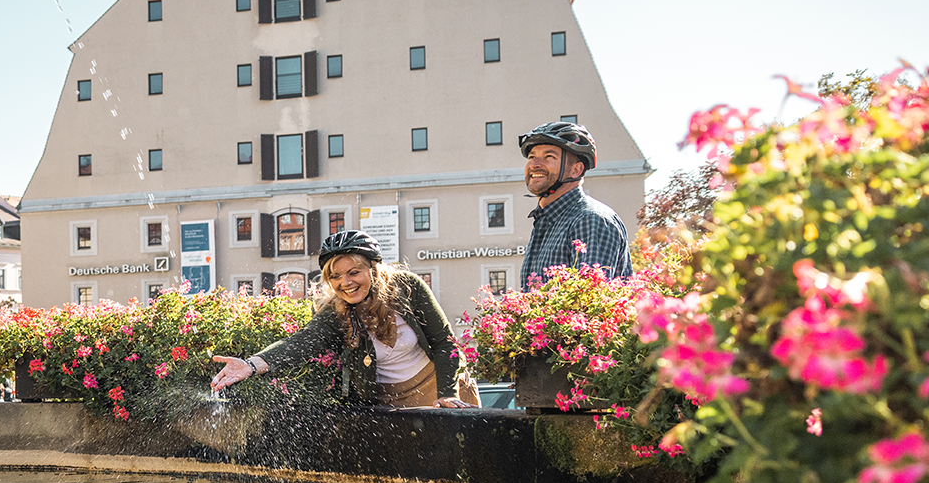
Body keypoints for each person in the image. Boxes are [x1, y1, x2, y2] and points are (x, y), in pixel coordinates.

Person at [209, 230, 475, 408]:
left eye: (354, 272)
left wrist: (447, 393)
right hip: (388, 401)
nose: (345, 283)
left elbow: (445, 343)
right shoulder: (336, 309)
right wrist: (251, 364)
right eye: (335, 276)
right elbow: (302, 342)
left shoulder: (407, 287)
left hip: (440, 386)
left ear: (373, 269)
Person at [516, 121, 633, 289]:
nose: (534, 164)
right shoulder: (546, 220)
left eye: (549, 157)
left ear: (576, 170)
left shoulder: (590, 220)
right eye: (532, 157)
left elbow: (588, 302)